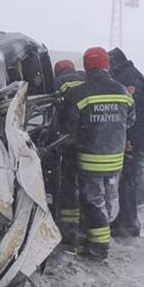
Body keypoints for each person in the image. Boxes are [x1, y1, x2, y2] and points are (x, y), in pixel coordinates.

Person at [64, 48, 135, 260]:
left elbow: (70, 128)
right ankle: (94, 239)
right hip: (115, 159)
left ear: (86, 67)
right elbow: (131, 121)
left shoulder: (79, 93)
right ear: (107, 65)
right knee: (106, 200)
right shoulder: (123, 92)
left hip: (90, 159)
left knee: (92, 201)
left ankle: (99, 247)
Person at [109, 49, 144, 209]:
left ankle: (140, 197)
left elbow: (129, 108)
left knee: (133, 164)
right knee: (135, 165)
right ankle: (137, 197)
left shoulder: (127, 79)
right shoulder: (131, 74)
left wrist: (128, 136)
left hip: (139, 129)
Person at [54, 59, 86, 245]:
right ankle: (82, 219)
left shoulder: (58, 83)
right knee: (87, 182)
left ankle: (67, 223)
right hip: (91, 137)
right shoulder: (85, 78)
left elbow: (56, 110)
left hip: (70, 138)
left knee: (68, 178)